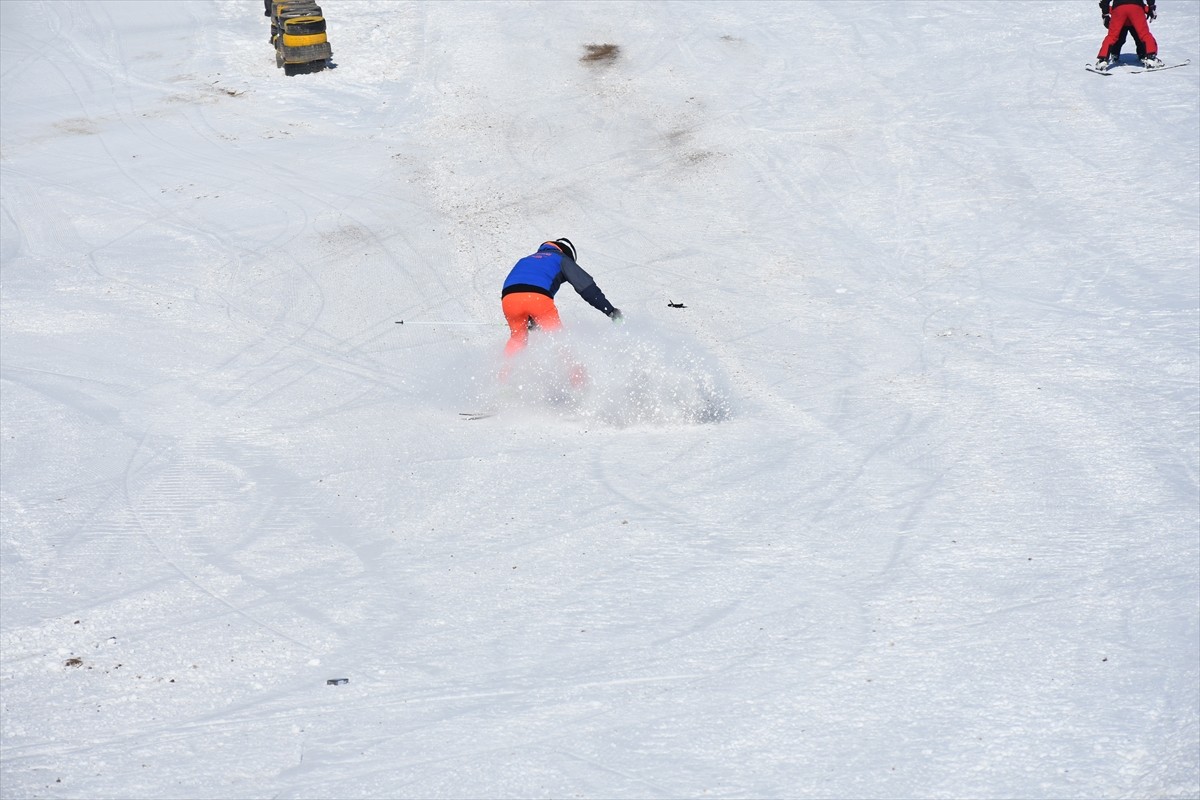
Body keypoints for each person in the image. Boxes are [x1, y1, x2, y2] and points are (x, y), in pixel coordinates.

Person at [500, 238, 621, 358]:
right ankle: (576, 376)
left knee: (517, 340)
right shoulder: (561, 258)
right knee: (560, 340)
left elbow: (519, 285)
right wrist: (610, 310)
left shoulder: (524, 260)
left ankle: (502, 375)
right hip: (537, 298)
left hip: (509, 300)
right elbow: (586, 288)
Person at [1095, 0, 1163, 71]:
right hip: (1136, 7)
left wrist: (1105, 14)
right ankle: (1150, 58)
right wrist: (1151, 7)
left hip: (1119, 8)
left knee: (1112, 36)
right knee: (1144, 34)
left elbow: (1105, 1)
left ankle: (1103, 60)